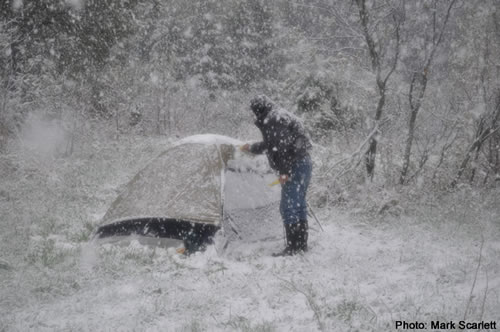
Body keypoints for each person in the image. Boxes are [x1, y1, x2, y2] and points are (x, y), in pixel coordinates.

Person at [241, 95, 313, 256]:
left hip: (295, 164)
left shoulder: (273, 119)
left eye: (254, 111)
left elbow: (281, 147)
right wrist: (252, 148)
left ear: (258, 109)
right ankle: (301, 244)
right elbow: (272, 145)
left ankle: (293, 247)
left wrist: (285, 172)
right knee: (298, 204)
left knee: (288, 206)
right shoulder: (279, 115)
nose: (254, 115)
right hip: (304, 162)